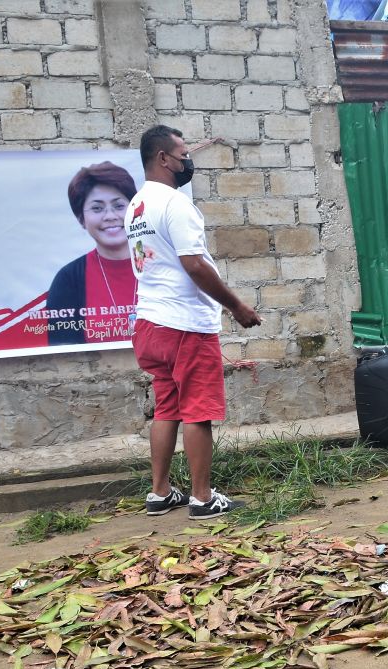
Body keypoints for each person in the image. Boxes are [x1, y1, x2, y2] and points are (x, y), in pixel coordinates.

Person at [125, 125, 263, 518]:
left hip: (150, 322)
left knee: (167, 408)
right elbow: (194, 265)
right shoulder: (175, 203)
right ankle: (203, 498)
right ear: (162, 158)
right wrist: (236, 305)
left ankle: (160, 492)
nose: (188, 160)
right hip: (184, 324)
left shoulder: (135, 206)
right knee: (197, 410)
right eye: (183, 153)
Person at [46, 162, 138, 346]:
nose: (110, 216)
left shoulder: (164, 264)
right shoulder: (69, 279)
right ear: (81, 219)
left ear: (135, 209)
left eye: (119, 206)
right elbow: (65, 355)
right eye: (97, 208)